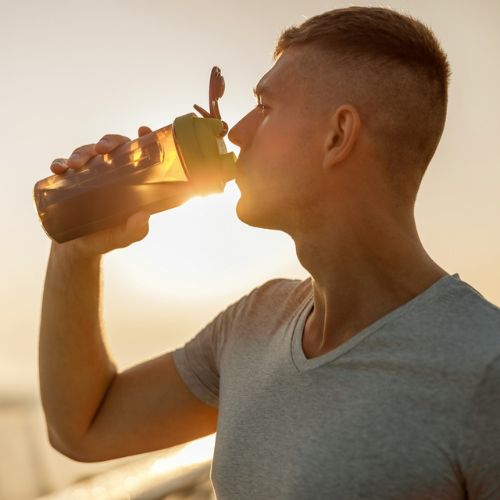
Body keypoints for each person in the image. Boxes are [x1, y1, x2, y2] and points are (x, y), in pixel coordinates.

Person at [39, 6, 500, 499]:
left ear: (337, 136)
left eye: (265, 106)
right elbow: (84, 428)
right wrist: (78, 250)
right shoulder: (254, 324)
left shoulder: (483, 368)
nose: (236, 133)